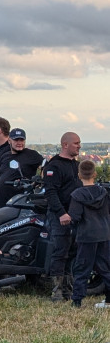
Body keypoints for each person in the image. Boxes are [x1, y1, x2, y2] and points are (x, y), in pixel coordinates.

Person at [43, 132, 81, 302]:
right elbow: (51, 193)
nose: (79, 146)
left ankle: (68, 290)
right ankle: (57, 292)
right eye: (76, 143)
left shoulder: (76, 166)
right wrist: (61, 213)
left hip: (74, 215)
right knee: (60, 251)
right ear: (65, 145)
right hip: (60, 215)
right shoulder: (54, 166)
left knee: (72, 252)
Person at [68, 160, 110, 308]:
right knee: (106, 267)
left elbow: (75, 217)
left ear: (79, 175)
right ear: (95, 173)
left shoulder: (77, 195)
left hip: (86, 235)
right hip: (104, 233)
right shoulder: (103, 192)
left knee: (82, 267)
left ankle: (77, 300)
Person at [0, 128, 43, 207]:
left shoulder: (31, 154)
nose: (19, 143)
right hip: (3, 202)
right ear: (9, 141)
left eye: (22, 140)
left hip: (20, 202)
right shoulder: (4, 156)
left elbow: (46, 166)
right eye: (16, 140)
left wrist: (38, 180)